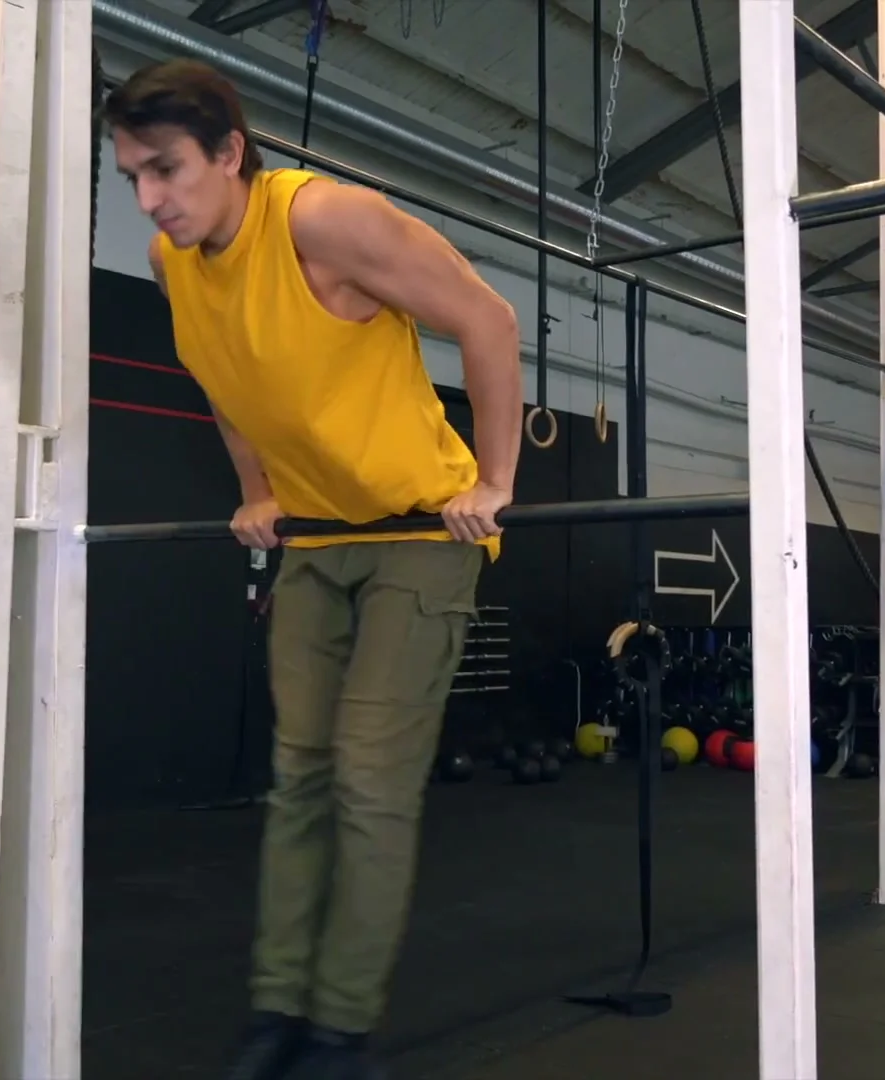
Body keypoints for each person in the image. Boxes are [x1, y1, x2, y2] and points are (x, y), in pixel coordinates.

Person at [105, 59, 524, 1080]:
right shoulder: (177, 263)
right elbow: (225, 378)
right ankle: (277, 1014)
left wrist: (497, 482)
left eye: (166, 170)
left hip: (425, 534)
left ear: (230, 155)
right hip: (317, 541)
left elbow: (490, 320)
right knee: (298, 781)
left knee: (370, 785)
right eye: (131, 178)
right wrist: (255, 487)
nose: (152, 200)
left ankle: (339, 1032)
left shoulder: (326, 224)